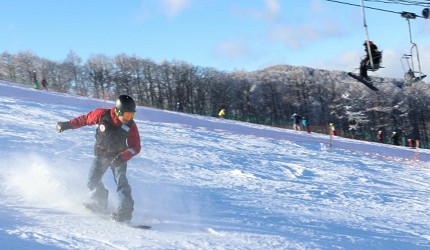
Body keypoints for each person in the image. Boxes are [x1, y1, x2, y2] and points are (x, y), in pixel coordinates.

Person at [56, 95, 141, 223]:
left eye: (132, 115)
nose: (129, 119)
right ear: (118, 111)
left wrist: (123, 156)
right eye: (127, 115)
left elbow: (136, 147)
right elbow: (84, 120)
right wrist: (67, 125)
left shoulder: (130, 126)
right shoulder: (102, 115)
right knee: (92, 181)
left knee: (121, 183)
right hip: (101, 155)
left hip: (119, 157)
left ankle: (125, 212)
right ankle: (100, 201)